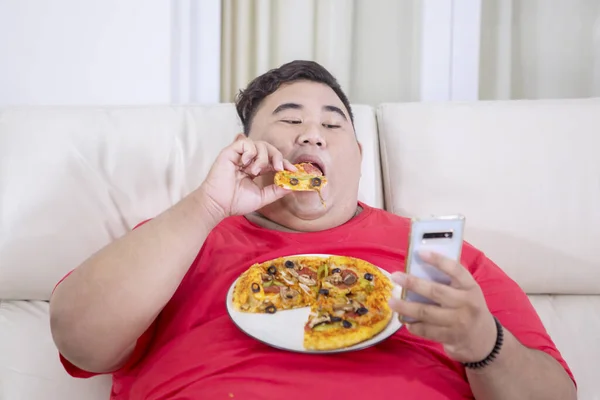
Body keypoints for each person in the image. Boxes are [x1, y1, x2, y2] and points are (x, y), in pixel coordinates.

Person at [49, 60, 577, 400]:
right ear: (246, 146)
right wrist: (208, 205)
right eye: (288, 118)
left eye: (332, 123)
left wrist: (483, 343)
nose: (312, 134)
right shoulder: (184, 235)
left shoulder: (437, 255)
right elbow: (81, 343)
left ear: (358, 156)